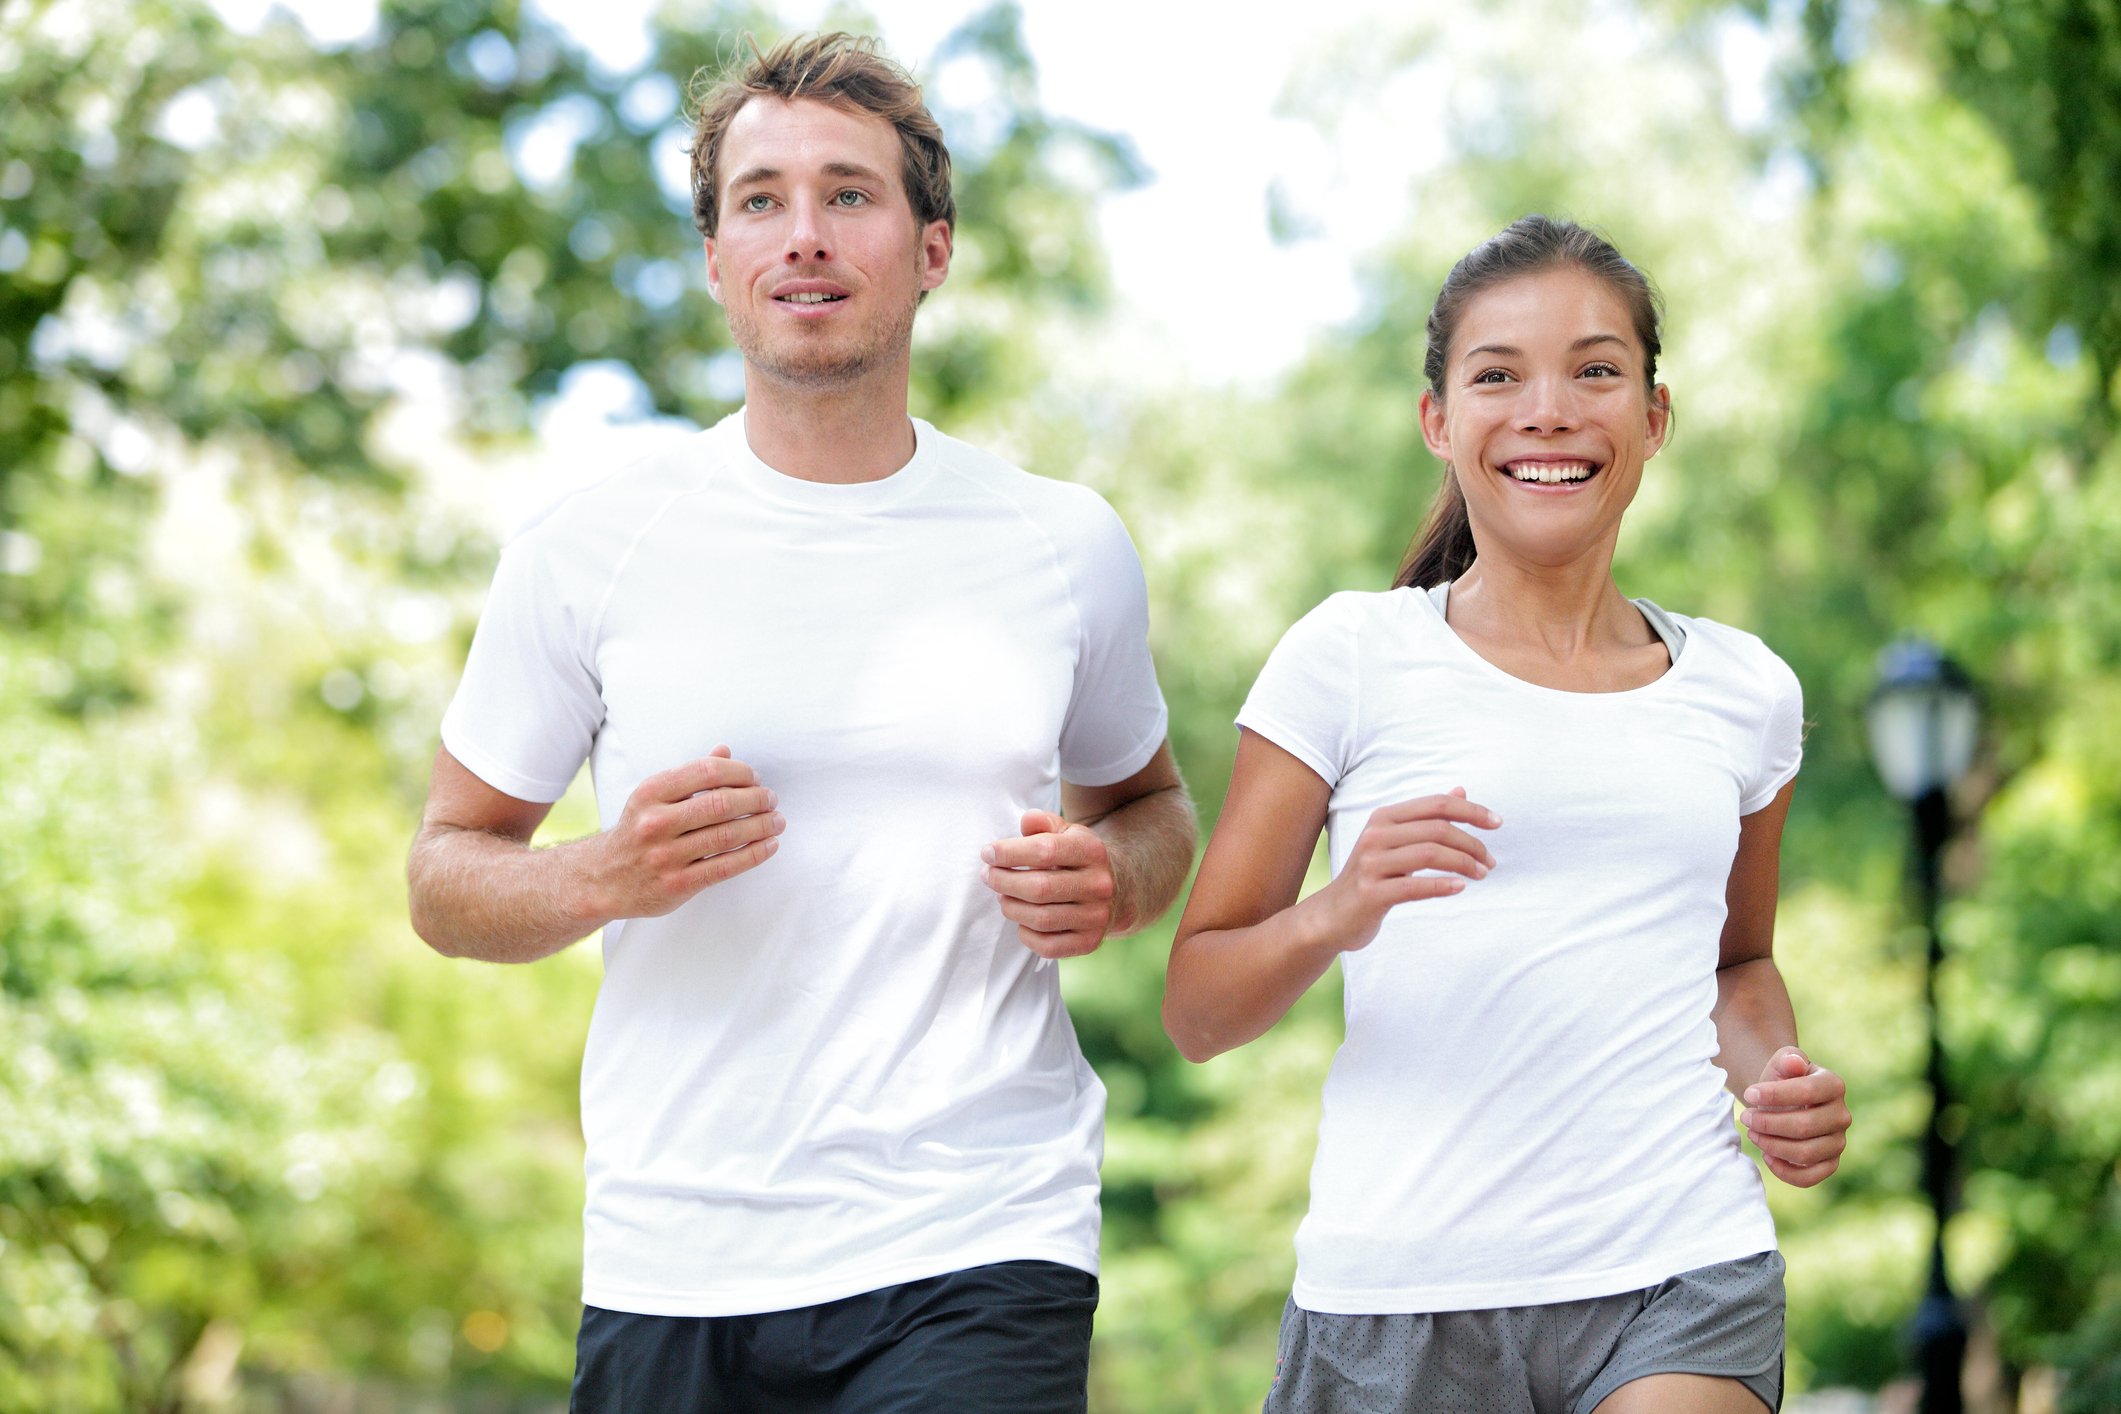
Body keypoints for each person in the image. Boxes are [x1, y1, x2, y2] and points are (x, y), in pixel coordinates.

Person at [407, 32, 1194, 1413]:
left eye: (850, 193)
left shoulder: (1062, 542)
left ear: (931, 247)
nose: (803, 235)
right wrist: (605, 874)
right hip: (679, 1250)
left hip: (980, 1222)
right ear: (715, 259)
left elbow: (1152, 807)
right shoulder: (589, 547)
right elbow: (443, 876)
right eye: (759, 200)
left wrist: (1114, 878)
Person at [1162, 216, 1851, 1414]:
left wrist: (1775, 1078)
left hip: (1677, 1264)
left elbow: (1738, 966)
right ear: (1439, 422)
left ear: (1653, 416)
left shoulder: (1747, 690)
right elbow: (1198, 1007)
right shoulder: (1350, 657)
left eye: (1596, 371)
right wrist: (1340, 909)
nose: (1549, 410)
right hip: (1400, 1297)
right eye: (1498, 376)